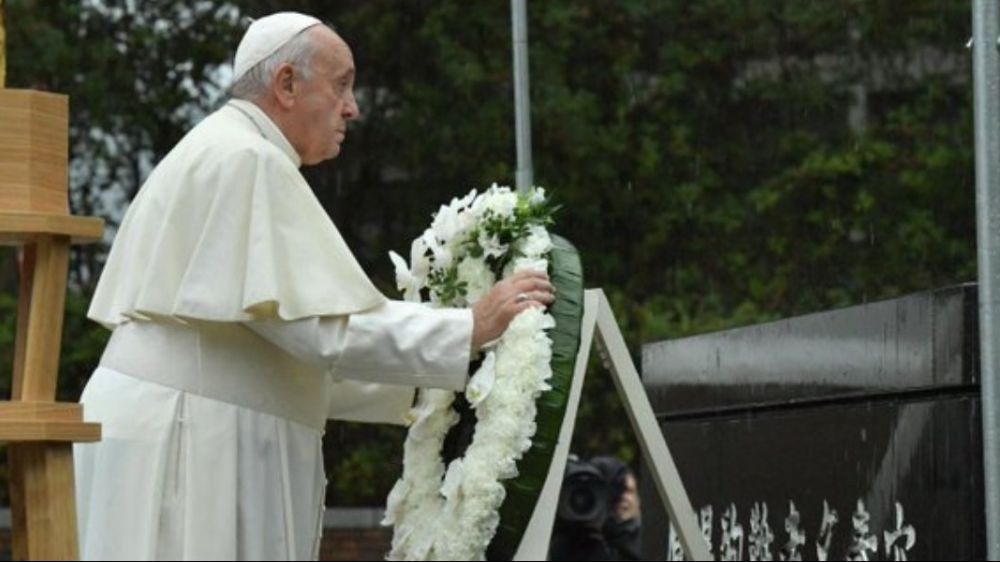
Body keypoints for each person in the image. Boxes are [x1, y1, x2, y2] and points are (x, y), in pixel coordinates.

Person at [73, 12, 554, 561]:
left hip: (176, 424)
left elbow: (278, 357)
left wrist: (436, 381)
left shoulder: (221, 148)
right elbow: (317, 330)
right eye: (341, 84)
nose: (353, 107)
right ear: (285, 84)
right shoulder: (247, 159)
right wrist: (469, 326)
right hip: (191, 440)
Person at [549, 456, 642, 561]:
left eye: (628, 490)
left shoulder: (649, 544)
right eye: (614, 491)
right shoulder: (559, 544)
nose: (621, 498)